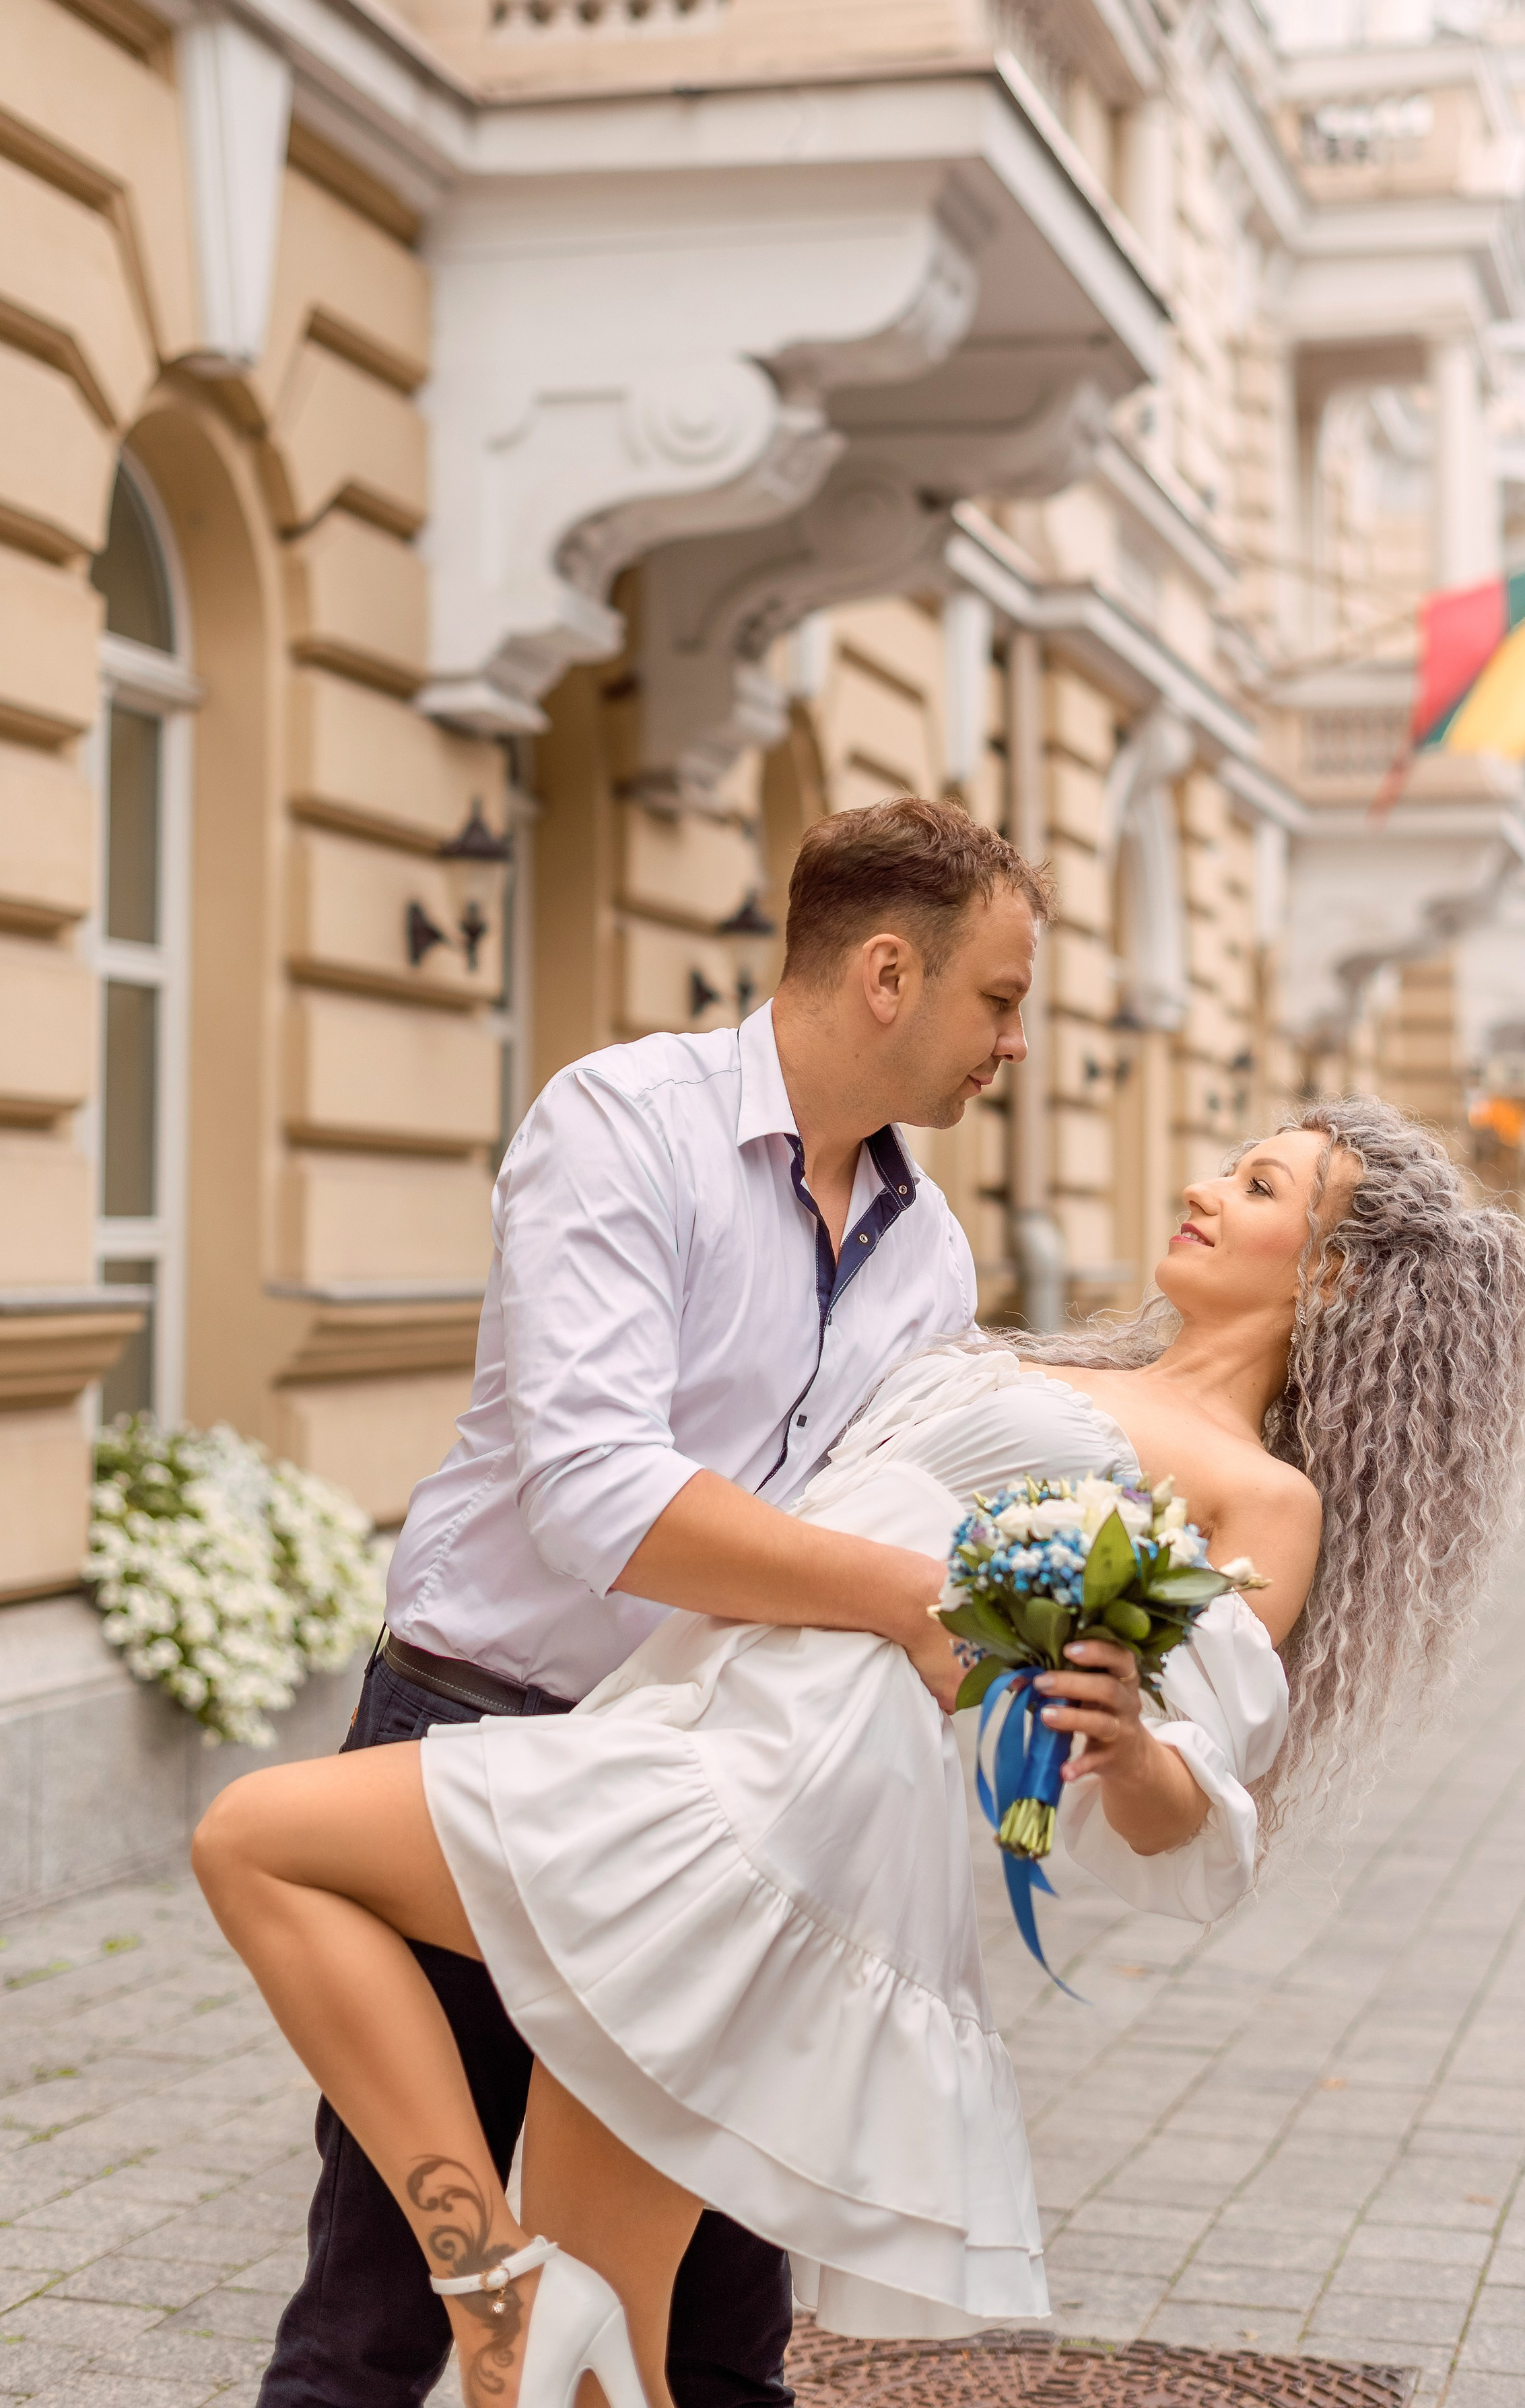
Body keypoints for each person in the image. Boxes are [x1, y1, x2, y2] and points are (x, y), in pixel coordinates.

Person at [196, 1095, 1525, 2408]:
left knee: (258, 1838)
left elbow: (1189, 1798)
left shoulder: (1260, 1494)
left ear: (1328, 1286)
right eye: (1228, 1165)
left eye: (1258, 1188)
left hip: (786, 1811)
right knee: (583, 2378)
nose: (1203, 1188)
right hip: (680, 1727)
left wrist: (1124, 1738)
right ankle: (507, 2299)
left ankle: (496, 2288)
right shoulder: (1046, 1355)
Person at [250, 794, 1053, 2408]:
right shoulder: (620, 1122)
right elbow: (598, 1494)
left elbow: (885, 1513)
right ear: (886, 974)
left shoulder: (931, 1253)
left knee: (718, 2336)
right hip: (483, 1740)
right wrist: (903, 1593)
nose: (1012, 1044)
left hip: (708, 1802)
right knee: (383, 2313)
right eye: (1000, 997)